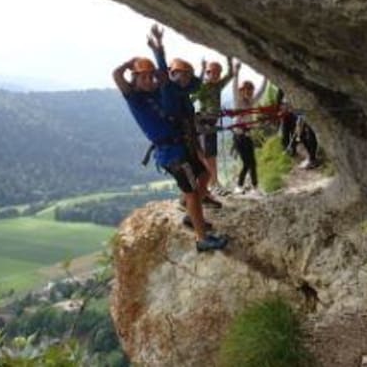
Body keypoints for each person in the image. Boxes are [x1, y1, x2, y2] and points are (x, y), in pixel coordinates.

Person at [112, 28, 227, 253]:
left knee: (204, 175)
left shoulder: (158, 90)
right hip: (170, 153)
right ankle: (201, 239)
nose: (148, 80)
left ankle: (191, 217)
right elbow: (117, 76)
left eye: (149, 76)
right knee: (192, 192)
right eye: (142, 77)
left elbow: (165, 77)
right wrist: (130, 63)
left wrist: (159, 50)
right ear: (134, 79)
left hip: (180, 146)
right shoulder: (134, 97)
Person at [193, 56, 234, 194]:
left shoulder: (217, 85)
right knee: (208, 155)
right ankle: (212, 184)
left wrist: (230, 60)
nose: (216, 75)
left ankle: (213, 182)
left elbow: (231, 75)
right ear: (207, 73)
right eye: (213, 72)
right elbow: (191, 98)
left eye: (218, 73)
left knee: (211, 155)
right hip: (204, 125)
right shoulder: (203, 87)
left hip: (210, 124)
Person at [231, 61, 267, 196]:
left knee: (251, 163)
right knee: (248, 162)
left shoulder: (252, 102)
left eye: (250, 90)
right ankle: (244, 186)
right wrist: (236, 72)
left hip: (247, 136)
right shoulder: (238, 102)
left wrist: (266, 77)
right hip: (239, 137)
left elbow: (262, 91)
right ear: (242, 91)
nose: (249, 92)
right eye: (246, 90)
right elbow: (234, 88)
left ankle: (250, 187)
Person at [277, 88, 320, 169]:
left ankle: (312, 158)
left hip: (301, 112)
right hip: (295, 112)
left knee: (307, 133)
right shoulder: (282, 90)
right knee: (300, 134)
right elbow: (281, 101)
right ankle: (311, 158)